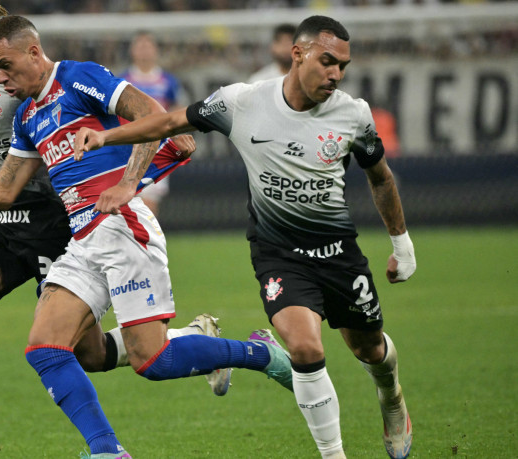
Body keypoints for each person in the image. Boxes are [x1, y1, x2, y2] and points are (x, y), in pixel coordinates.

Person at [0, 15, 293, 458]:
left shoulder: (79, 77)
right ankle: (107, 451)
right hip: (81, 238)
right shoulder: (26, 117)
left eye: (6, 66)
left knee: (152, 362)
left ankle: (259, 354)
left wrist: (128, 183)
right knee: (45, 348)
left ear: (34, 53)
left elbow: (153, 117)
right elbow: (2, 192)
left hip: (123, 228)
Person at [74, 15, 416, 459]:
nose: (335, 74)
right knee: (305, 347)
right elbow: (168, 123)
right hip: (279, 256)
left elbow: (382, 179)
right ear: (298, 54)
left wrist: (401, 244)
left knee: (369, 349)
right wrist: (106, 137)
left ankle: (391, 398)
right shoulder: (242, 101)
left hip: (338, 255)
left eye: (342, 66)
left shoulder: (354, 115)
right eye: (327, 61)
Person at [119, 31, 184, 216]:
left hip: (158, 147)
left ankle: (147, 243)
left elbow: (178, 111)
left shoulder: (168, 81)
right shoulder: (123, 80)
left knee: (149, 205)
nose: (144, 51)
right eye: (140, 46)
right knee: (127, 203)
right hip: (128, 148)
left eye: (148, 46)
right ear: (132, 51)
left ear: (155, 50)